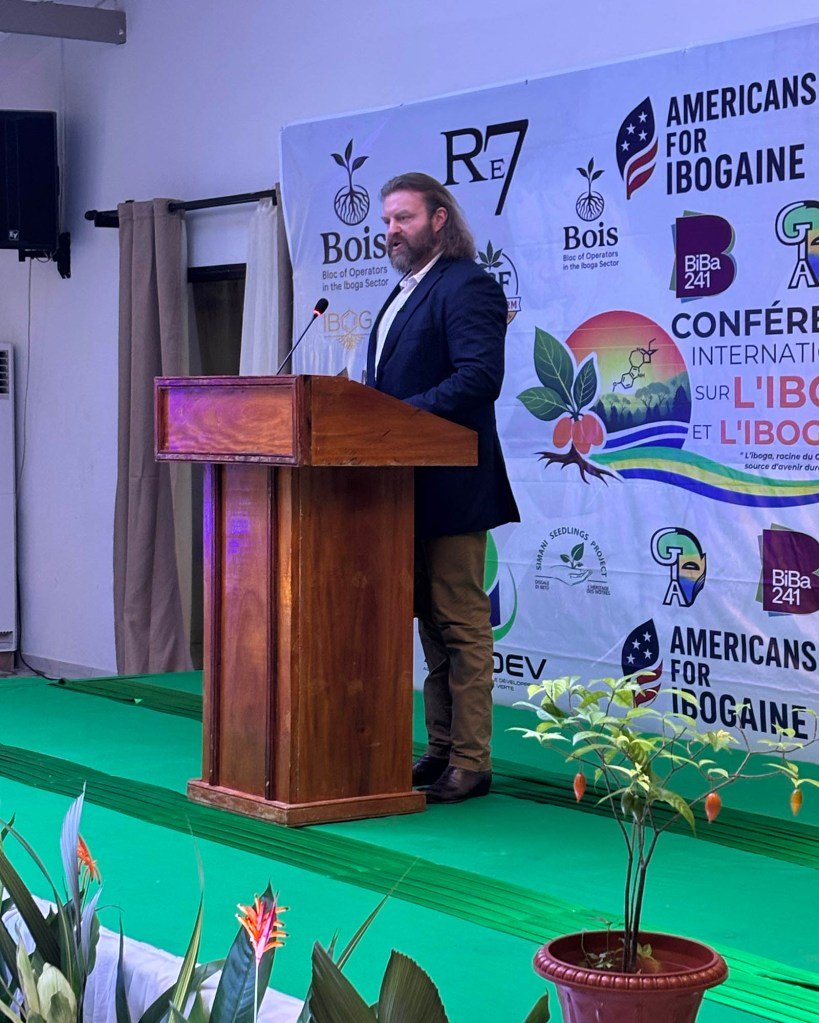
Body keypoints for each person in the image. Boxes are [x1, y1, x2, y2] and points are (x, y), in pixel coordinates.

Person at [366, 172, 520, 804]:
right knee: (431, 626)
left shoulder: (467, 284)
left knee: (460, 623)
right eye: (386, 221)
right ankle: (440, 748)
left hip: (453, 487)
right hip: (407, 489)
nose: (391, 231)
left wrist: (397, 418)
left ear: (439, 220)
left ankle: (472, 761)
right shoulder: (405, 290)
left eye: (403, 218)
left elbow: (479, 377)